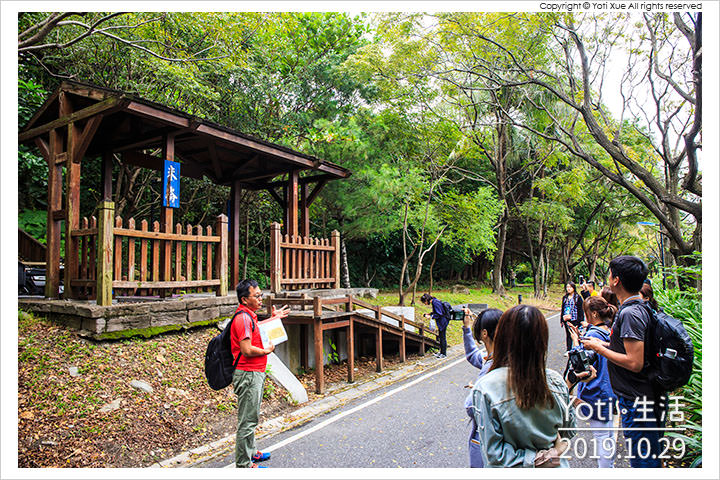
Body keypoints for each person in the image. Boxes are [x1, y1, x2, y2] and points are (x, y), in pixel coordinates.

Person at [581, 256, 663, 468]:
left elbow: (634, 362)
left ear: (616, 280)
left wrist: (599, 348)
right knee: (648, 455)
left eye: (609, 274)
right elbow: (634, 352)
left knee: (643, 459)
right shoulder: (641, 307)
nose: (607, 279)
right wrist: (602, 345)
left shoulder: (629, 313)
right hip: (643, 393)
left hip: (636, 399)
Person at [471, 305, 577, 467]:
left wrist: (533, 460)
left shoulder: (486, 388)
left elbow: (494, 455)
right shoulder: (555, 381)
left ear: (502, 336)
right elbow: (569, 430)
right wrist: (551, 454)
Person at [231, 279, 289, 468]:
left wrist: (274, 318)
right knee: (247, 420)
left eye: (260, 295)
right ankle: (244, 464)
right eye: (256, 296)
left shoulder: (250, 316)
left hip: (254, 372)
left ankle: (251, 452)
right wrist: (266, 351)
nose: (260, 299)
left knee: (251, 416)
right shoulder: (243, 319)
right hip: (248, 374)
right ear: (244, 299)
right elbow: (247, 349)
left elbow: (260, 331)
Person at [567, 296, 618, 468]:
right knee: (608, 433)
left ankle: (606, 469)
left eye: (586, 312)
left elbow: (582, 365)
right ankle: (608, 467)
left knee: (602, 437)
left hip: (596, 392)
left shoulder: (593, 335)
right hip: (610, 389)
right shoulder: (608, 332)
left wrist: (575, 343)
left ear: (594, 313)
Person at [461, 307, 502, 467]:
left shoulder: (492, 365)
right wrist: (466, 328)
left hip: (487, 442)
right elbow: (473, 355)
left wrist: (477, 389)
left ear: (484, 333)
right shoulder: (497, 356)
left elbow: (470, 406)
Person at [421, 293, 449, 358]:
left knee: (442, 337)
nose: (425, 303)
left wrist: (431, 316)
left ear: (426, 300)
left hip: (443, 321)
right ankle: (442, 352)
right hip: (442, 321)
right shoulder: (434, 301)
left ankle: (444, 354)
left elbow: (439, 314)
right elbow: (437, 311)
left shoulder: (435, 302)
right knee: (441, 337)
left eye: (424, 302)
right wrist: (430, 314)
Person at [560, 282, 584, 351]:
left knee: (576, 334)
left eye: (570, 287)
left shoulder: (577, 297)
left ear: (573, 288)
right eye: (567, 287)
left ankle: (578, 349)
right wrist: (561, 320)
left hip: (575, 318)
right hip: (566, 318)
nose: (568, 289)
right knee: (568, 335)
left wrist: (580, 321)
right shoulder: (565, 297)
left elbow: (580, 310)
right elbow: (563, 308)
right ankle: (569, 350)